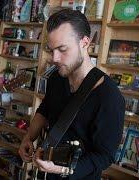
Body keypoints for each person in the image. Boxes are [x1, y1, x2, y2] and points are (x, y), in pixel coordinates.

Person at [18, 9, 125, 179]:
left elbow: (105, 156)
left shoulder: (109, 97)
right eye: (52, 50)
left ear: (84, 42)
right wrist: (28, 137)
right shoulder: (57, 77)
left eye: (62, 49)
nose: (55, 58)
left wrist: (61, 170)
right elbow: (46, 108)